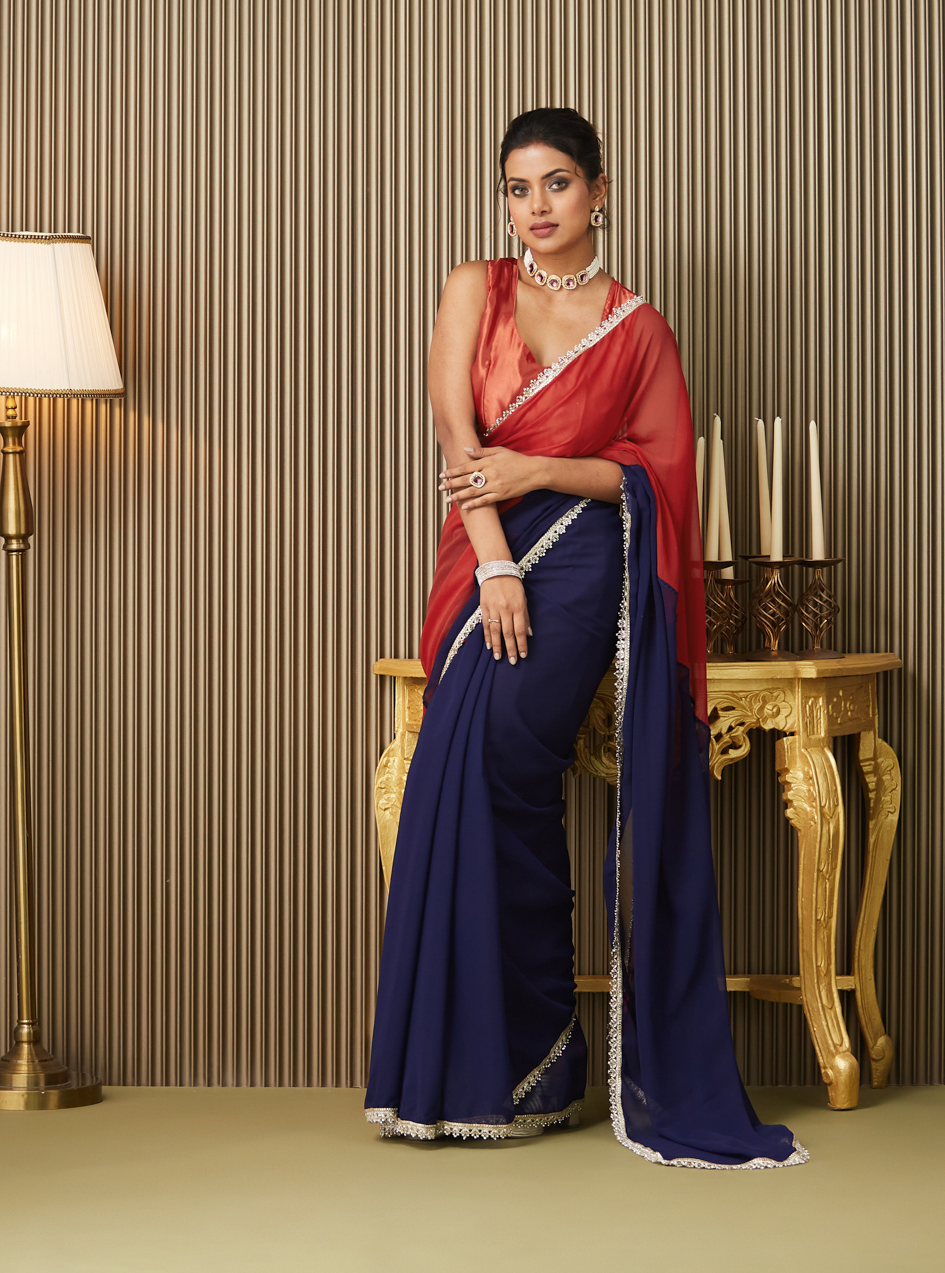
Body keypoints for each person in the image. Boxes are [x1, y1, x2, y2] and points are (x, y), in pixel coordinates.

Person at [363, 107, 808, 1168]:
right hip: (483, 558)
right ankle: (506, 1064)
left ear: (599, 191)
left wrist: (539, 472)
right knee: (457, 777)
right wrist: (495, 560)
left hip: (583, 562)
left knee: (507, 773)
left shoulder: (637, 328)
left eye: (557, 184)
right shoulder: (473, 288)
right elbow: (455, 435)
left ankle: (531, 1061)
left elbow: (655, 474)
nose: (537, 207)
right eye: (518, 189)